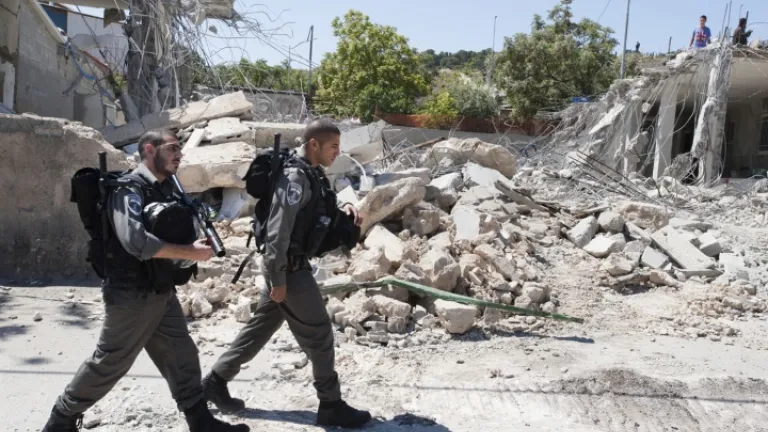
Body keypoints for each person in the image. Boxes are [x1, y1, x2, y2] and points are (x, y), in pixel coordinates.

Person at [42, 129, 249, 432]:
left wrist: (191, 246)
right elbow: (135, 241)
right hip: (131, 294)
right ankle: (61, 418)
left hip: (160, 288)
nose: (179, 154)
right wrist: (187, 251)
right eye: (173, 148)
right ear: (150, 150)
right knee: (110, 363)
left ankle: (200, 420)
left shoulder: (166, 189)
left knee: (182, 353)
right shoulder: (128, 189)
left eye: (180, 149)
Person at [201, 119, 372, 429]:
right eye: (333, 146)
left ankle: (215, 381)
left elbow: (315, 216)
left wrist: (345, 211)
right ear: (314, 145)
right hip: (289, 270)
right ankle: (331, 404)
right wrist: (278, 279)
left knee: (260, 328)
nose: (338, 152)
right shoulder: (294, 177)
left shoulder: (311, 174)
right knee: (320, 335)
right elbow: (278, 233)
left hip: (288, 266)